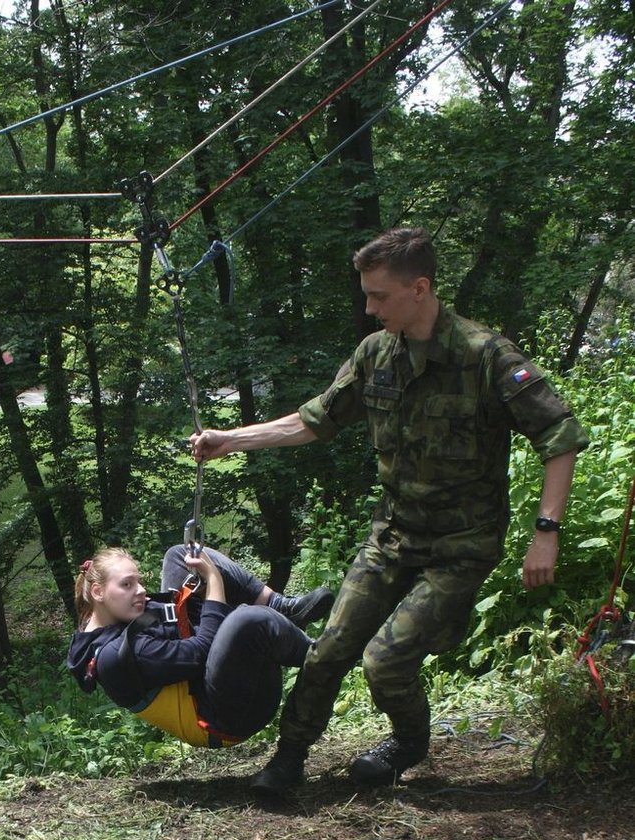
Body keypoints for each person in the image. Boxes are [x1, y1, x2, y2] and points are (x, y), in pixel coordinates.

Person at [190, 226, 589, 793]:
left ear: (420, 288)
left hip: (461, 546)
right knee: (328, 649)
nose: (369, 307)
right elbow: (314, 421)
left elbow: (560, 436)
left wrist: (545, 531)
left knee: (386, 660)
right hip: (393, 537)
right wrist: (231, 439)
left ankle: (408, 743)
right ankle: (287, 761)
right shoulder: (374, 354)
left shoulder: (485, 356)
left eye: (379, 296)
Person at [68, 544, 334, 747]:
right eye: (127, 584)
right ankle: (324, 656)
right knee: (248, 619)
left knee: (181, 554)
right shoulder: (118, 655)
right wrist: (214, 580)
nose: (140, 591)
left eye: (138, 581)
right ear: (98, 592)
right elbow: (203, 649)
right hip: (225, 715)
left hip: (202, 668)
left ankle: (279, 605)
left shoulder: (110, 618)